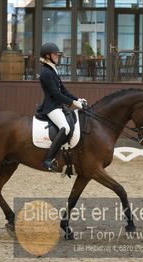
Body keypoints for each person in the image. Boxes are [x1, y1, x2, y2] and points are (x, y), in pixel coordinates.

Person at [38, 42, 87, 171]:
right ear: (48, 56)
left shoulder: (52, 70)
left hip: (58, 106)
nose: (58, 57)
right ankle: (49, 160)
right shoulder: (46, 73)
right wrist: (72, 104)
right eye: (56, 54)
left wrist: (77, 99)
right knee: (64, 128)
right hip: (51, 107)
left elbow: (63, 90)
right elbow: (55, 94)